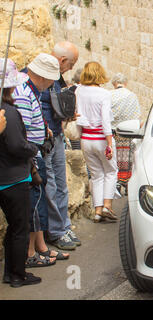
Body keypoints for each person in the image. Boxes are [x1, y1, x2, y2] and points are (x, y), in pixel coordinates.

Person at [14, 53, 70, 266]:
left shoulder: (30, 89)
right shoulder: (24, 91)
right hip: (32, 156)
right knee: (35, 205)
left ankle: (41, 248)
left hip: (36, 152)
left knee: (38, 204)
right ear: (44, 77)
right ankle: (31, 254)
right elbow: (25, 129)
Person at [0, 58, 41, 287]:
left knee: (13, 229)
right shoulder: (9, 112)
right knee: (20, 228)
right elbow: (17, 146)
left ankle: (10, 273)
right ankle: (18, 275)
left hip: (4, 179)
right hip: (13, 179)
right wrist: (33, 148)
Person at [40, 41, 81, 250]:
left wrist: (67, 114)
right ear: (62, 60)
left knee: (60, 183)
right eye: (71, 64)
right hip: (44, 139)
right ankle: (56, 231)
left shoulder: (56, 77)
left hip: (56, 135)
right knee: (51, 185)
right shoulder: (42, 75)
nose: (71, 68)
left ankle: (63, 227)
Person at [76, 62, 118, 223]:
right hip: (101, 138)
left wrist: (81, 136)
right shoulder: (104, 94)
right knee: (111, 171)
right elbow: (106, 120)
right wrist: (109, 142)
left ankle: (97, 210)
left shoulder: (79, 91)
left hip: (86, 138)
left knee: (96, 175)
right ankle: (107, 205)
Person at [110, 73, 141, 194]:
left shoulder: (109, 95)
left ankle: (116, 182)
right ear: (126, 83)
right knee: (128, 160)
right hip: (128, 133)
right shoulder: (132, 96)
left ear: (114, 84)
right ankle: (127, 183)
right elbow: (137, 116)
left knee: (115, 158)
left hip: (113, 133)